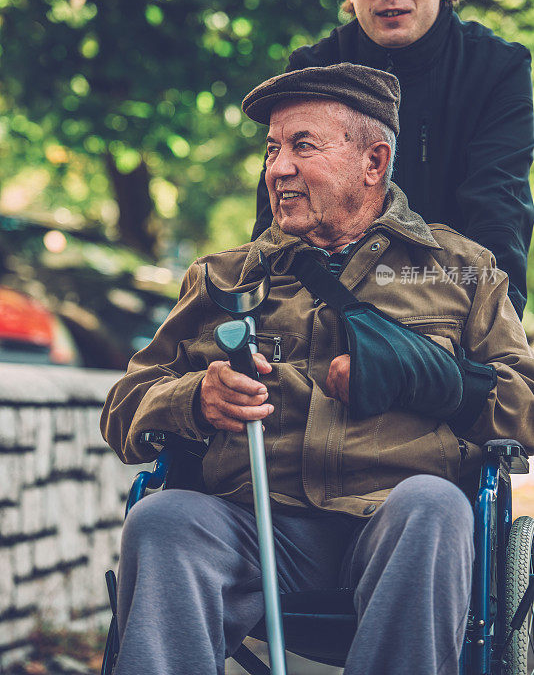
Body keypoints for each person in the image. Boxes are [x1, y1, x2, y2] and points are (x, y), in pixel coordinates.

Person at [101, 65, 534, 675]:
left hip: (396, 526)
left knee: (434, 506)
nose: (277, 169)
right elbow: (123, 405)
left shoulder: (463, 271)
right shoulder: (225, 277)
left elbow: (528, 410)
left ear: (374, 162)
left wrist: (434, 381)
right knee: (163, 519)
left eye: (303, 146)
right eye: (273, 150)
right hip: (256, 528)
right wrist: (193, 399)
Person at [251, 0, 534, 319]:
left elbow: (499, 214)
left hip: (444, 300)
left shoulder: (498, 69)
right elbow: (277, 219)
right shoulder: (313, 69)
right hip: (325, 303)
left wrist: (494, 332)